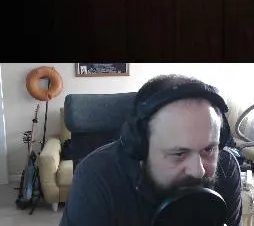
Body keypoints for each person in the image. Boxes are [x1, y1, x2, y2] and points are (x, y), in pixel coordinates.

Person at [59, 75, 243, 226]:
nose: (198, 171)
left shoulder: (226, 168)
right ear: (141, 149)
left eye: (209, 149)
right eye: (179, 154)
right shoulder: (96, 177)